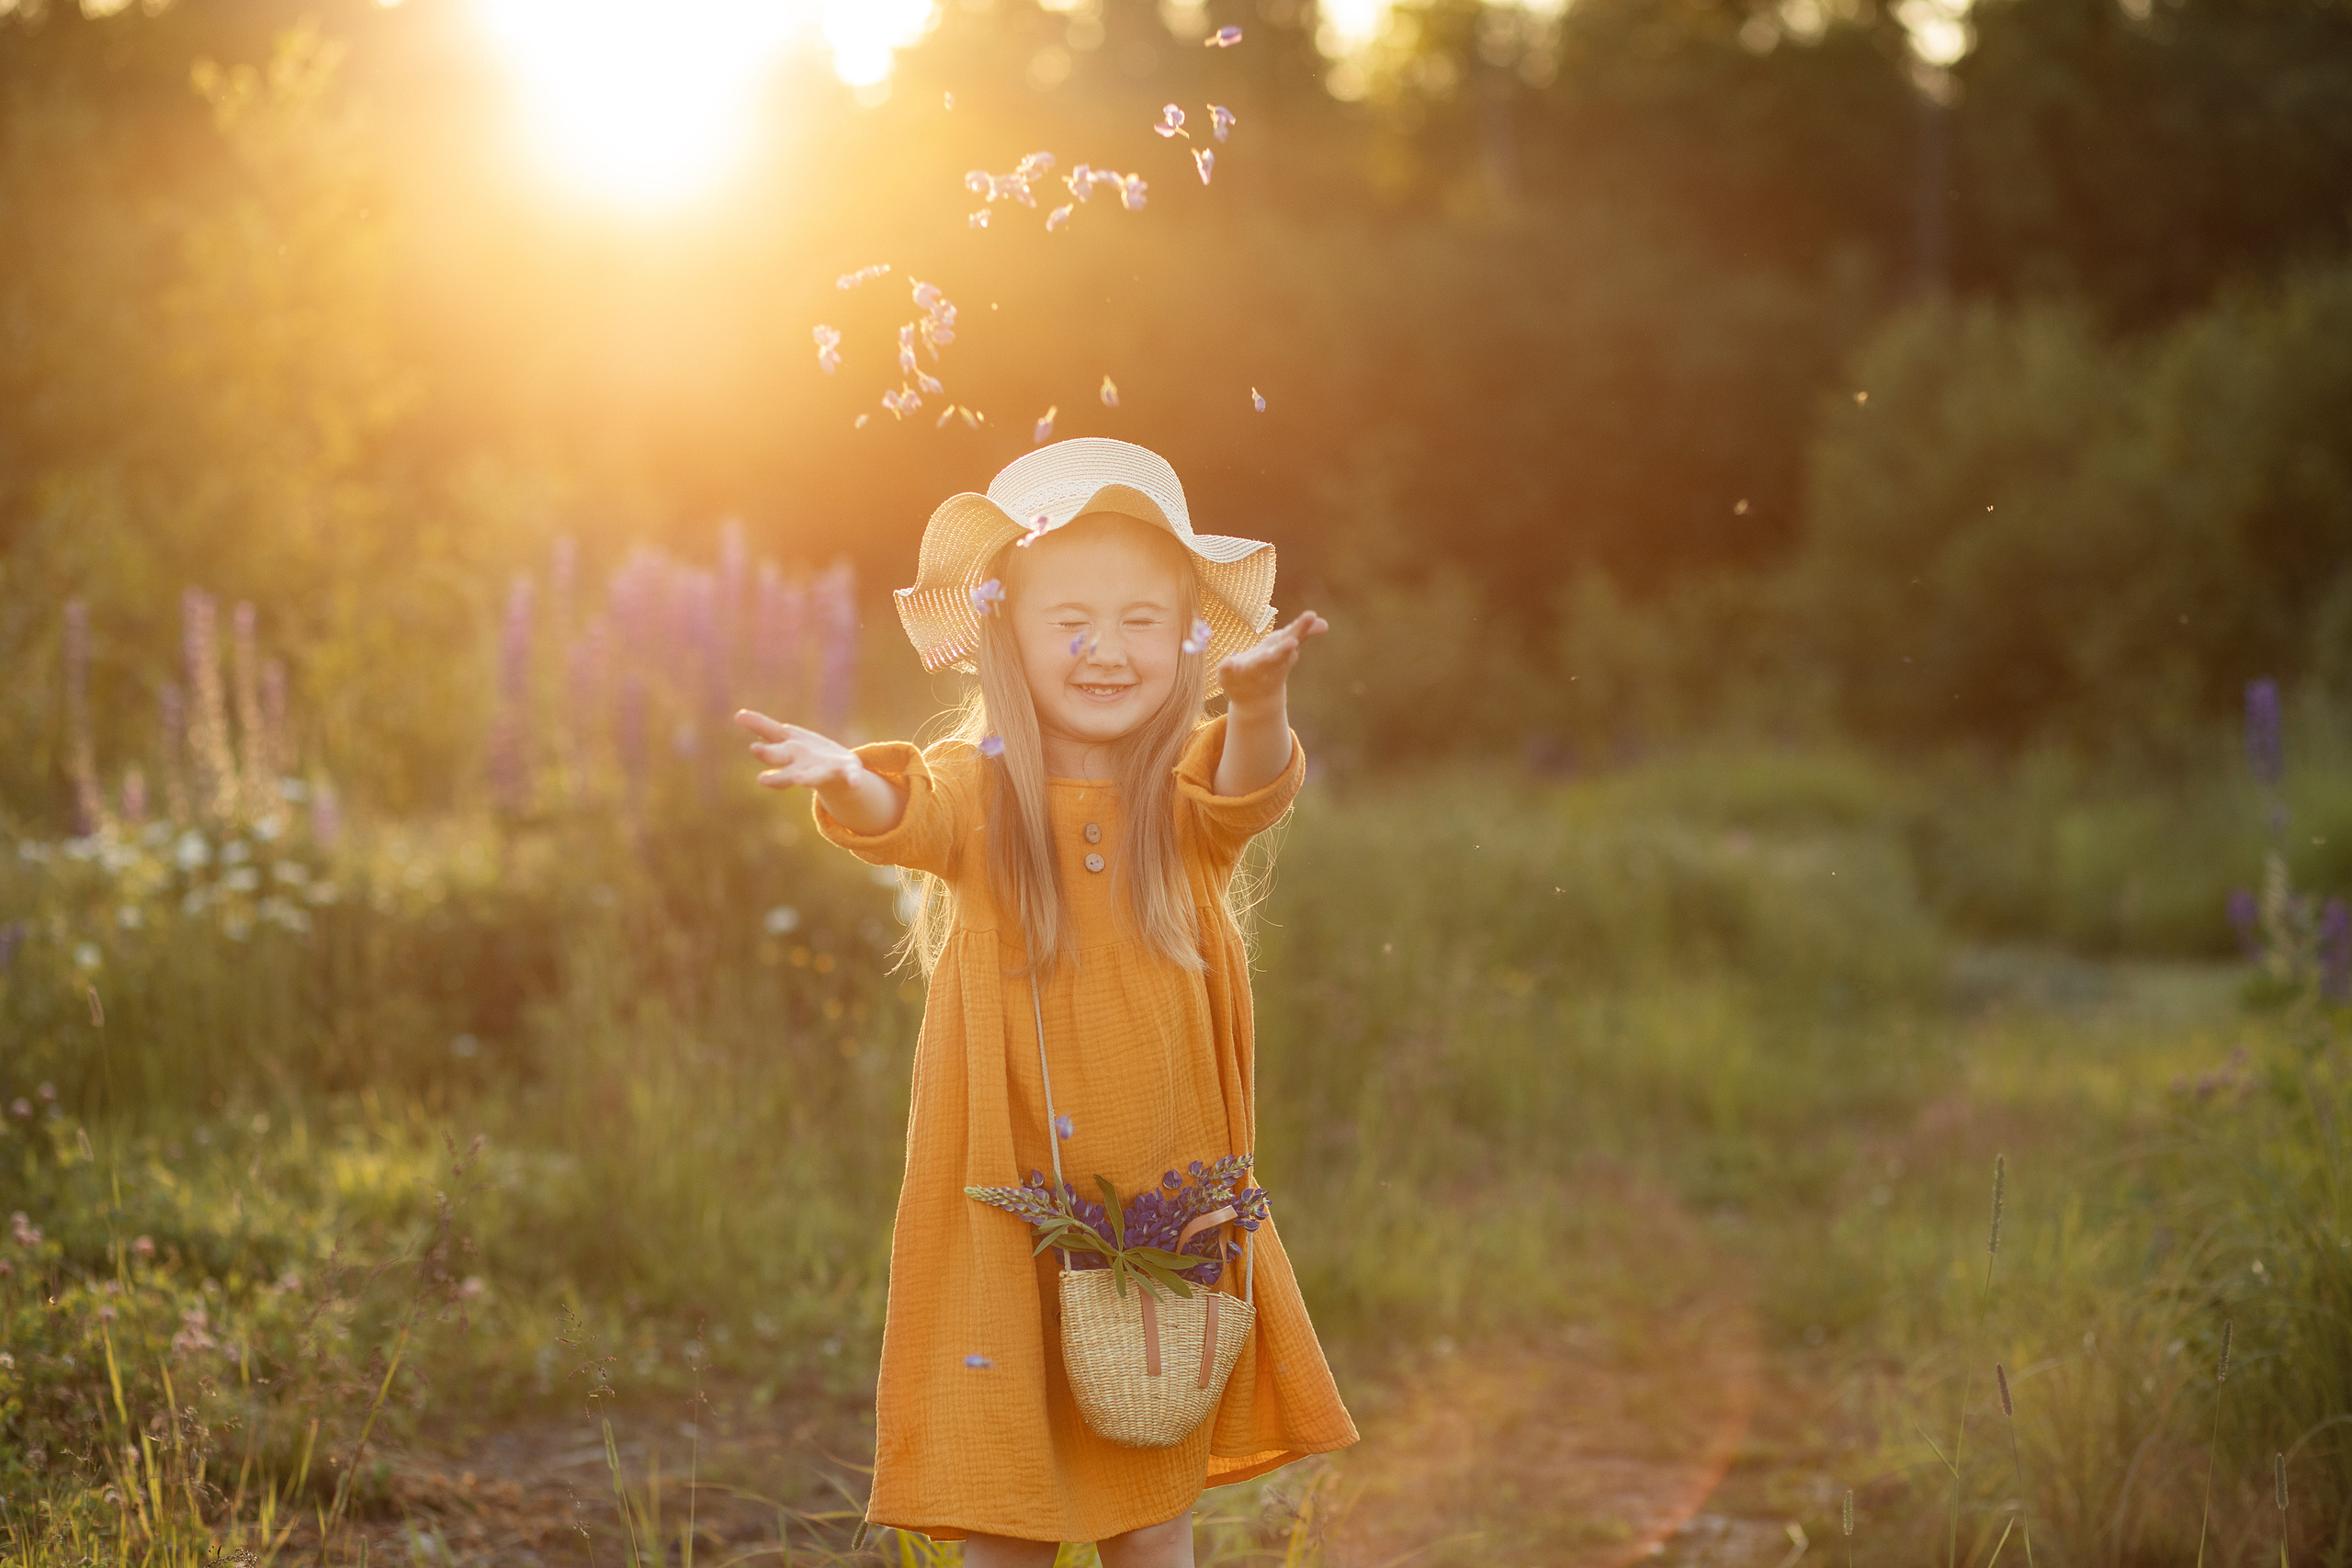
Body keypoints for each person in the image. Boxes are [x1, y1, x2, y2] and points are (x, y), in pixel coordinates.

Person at [733, 439, 1357, 1567]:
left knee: (1150, 1502)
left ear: (1185, 642)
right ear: (1006, 634)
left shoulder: (1180, 805)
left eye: (1135, 621)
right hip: (1006, 1184)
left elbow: (1249, 784)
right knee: (1005, 1504)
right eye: (1069, 619)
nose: (1103, 650)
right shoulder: (982, 791)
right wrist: (846, 776)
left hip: (1162, 1191)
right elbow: (905, 811)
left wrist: (1259, 700)